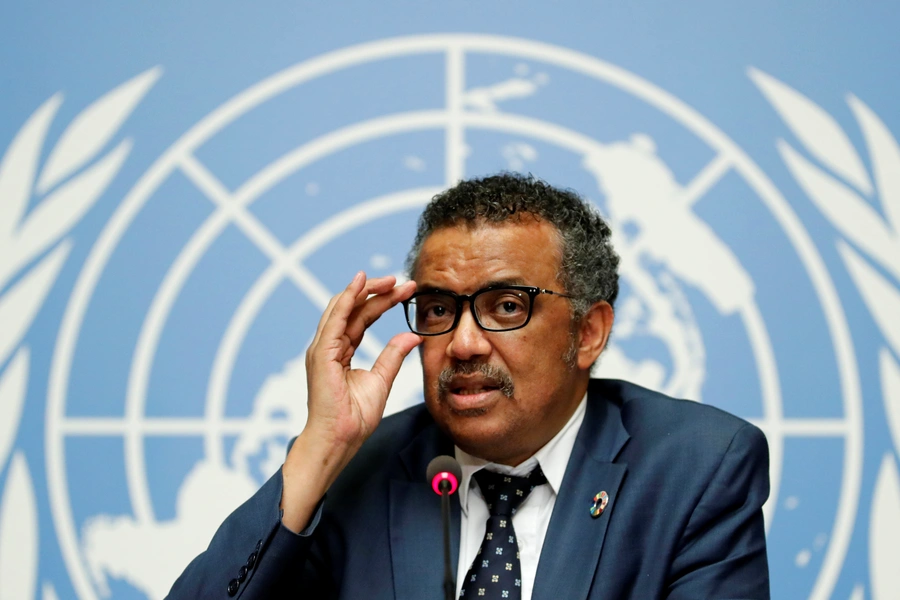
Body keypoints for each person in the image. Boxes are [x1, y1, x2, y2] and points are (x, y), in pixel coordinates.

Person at [166, 173, 770, 599]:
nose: (461, 344)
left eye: (506, 306)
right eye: (436, 310)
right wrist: (320, 450)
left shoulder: (697, 467)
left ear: (588, 332)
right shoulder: (361, 470)